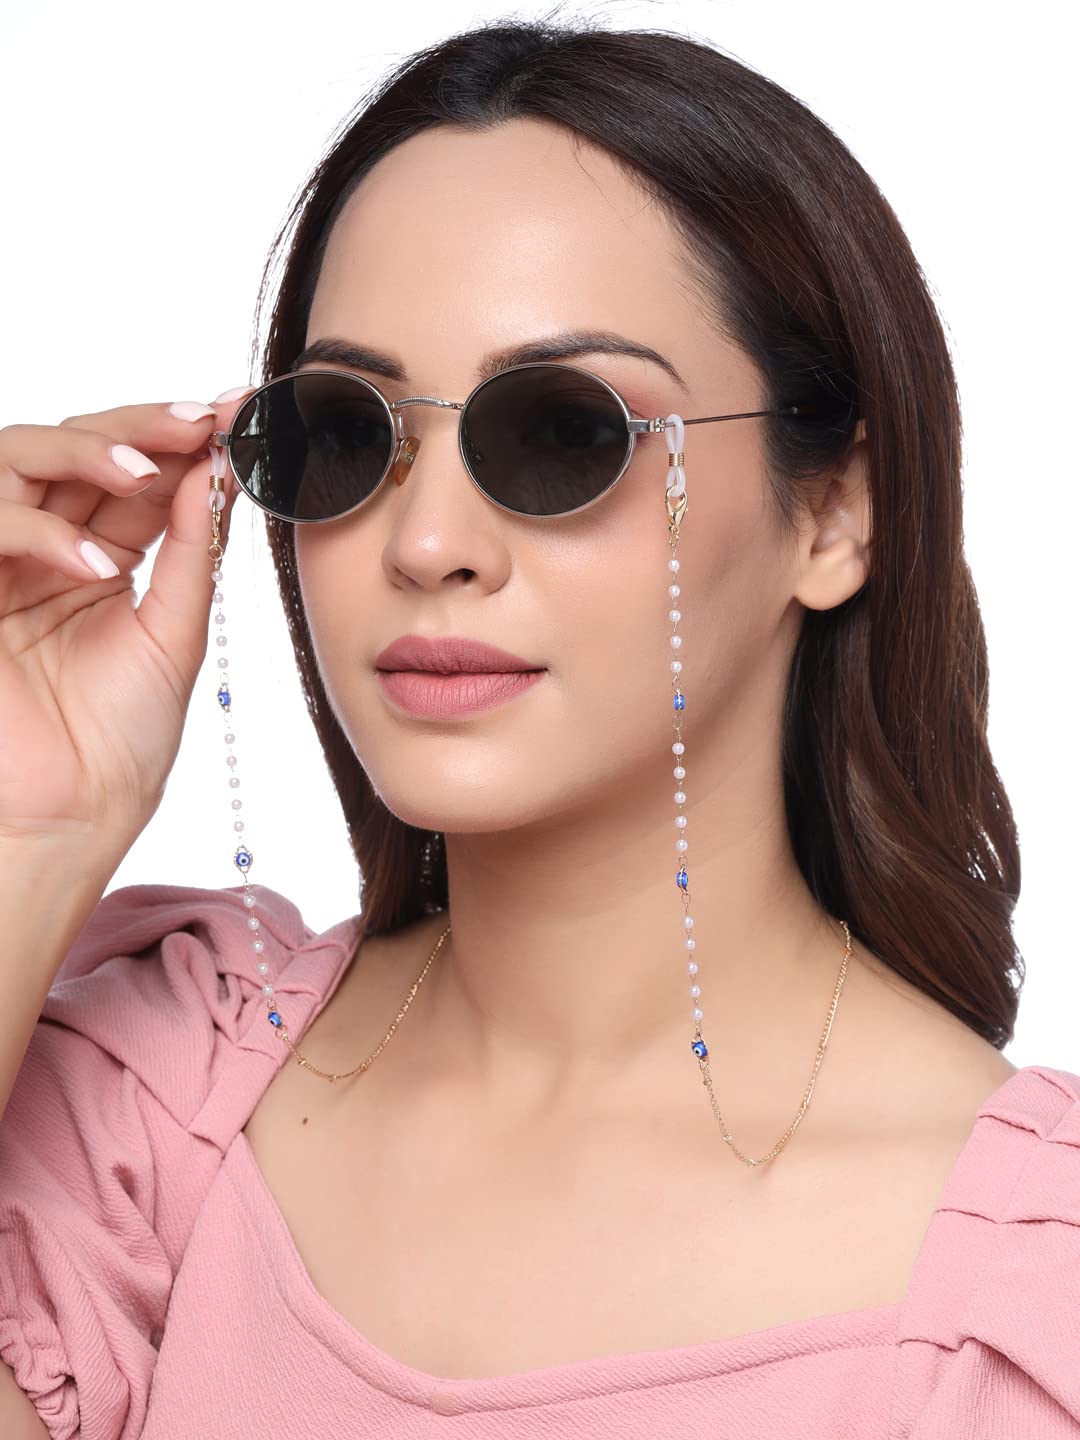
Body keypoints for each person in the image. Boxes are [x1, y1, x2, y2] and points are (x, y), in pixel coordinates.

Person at [1, 17, 1077, 1440]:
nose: (427, 543)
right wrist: (28, 834)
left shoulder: (1026, 1310)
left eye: (565, 432)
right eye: (350, 432)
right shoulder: (151, 1117)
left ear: (834, 512)